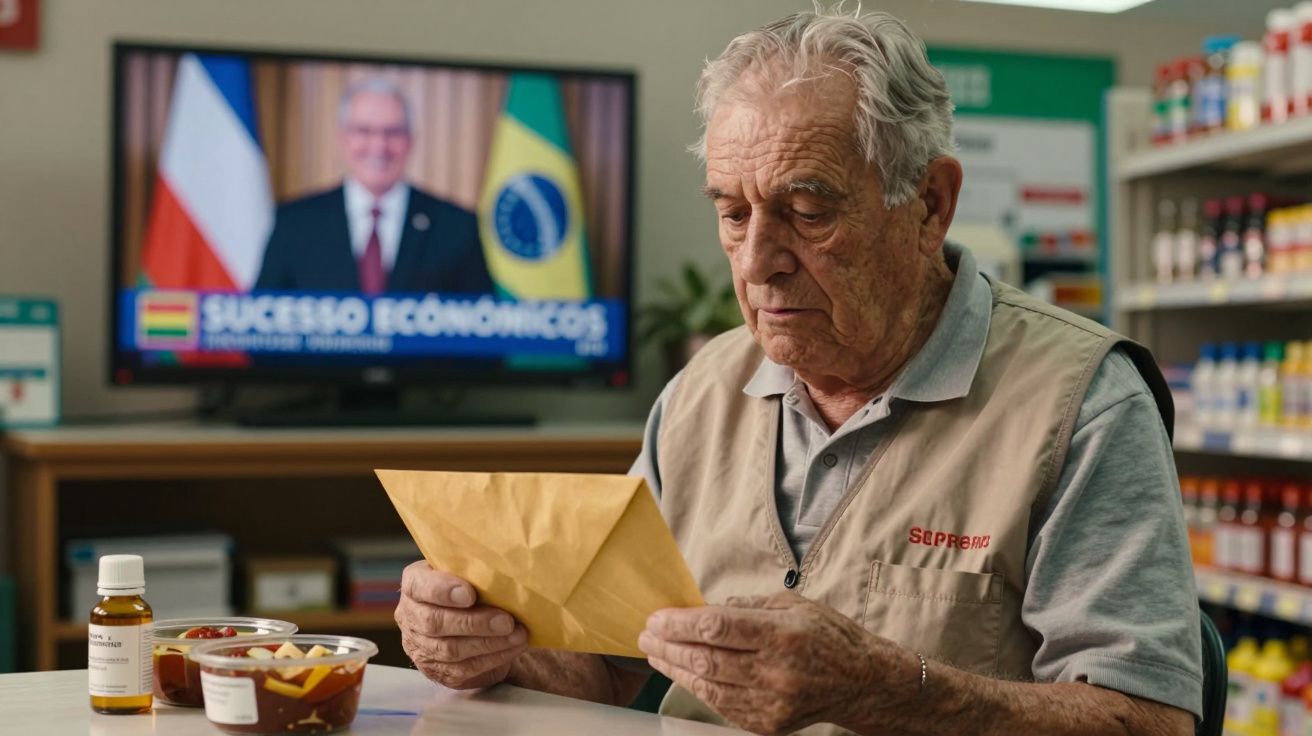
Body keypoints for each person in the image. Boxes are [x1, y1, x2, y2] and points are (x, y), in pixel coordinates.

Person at [393, 8, 1202, 736]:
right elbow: (608, 667)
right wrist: (490, 647)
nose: (756, 264)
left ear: (930, 205)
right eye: (733, 212)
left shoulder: (1083, 403)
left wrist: (888, 692)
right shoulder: (699, 392)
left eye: (809, 213)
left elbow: (1147, 721)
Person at [254, 77, 494, 295]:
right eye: (364, 131)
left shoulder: (457, 228)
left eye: (392, 132)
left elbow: (483, 331)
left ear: (410, 140)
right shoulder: (295, 223)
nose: (379, 146)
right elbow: (264, 324)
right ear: (343, 138)